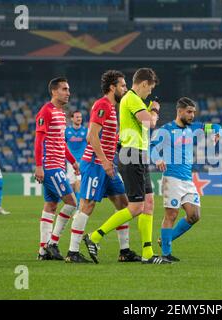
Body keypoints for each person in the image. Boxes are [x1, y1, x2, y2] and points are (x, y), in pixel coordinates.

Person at [83, 68, 171, 264]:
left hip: (138, 154)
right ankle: (95, 236)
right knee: (136, 207)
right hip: (131, 155)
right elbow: (149, 123)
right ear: (144, 83)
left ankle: (148, 254)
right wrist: (154, 109)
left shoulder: (134, 101)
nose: (150, 93)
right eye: (150, 88)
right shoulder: (131, 99)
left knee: (148, 204)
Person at [65, 70, 141, 263]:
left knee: (124, 204)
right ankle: (72, 252)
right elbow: (91, 136)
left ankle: (124, 251)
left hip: (108, 166)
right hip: (95, 164)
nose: (125, 89)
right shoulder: (102, 105)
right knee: (87, 205)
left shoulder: (112, 108)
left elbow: (108, 139)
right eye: (123, 86)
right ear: (112, 87)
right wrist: (106, 161)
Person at [151, 97, 221, 261]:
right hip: (172, 178)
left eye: (193, 112)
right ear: (179, 111)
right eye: (189, 112)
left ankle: (165, 240)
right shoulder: (166, 130)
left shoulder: (195, 128)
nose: (192, 115)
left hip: (187, 180)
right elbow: (152, 147)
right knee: (171, 214)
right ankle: (166, 254)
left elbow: (216, 126)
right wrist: (158, 159)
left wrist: (216, 133)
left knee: (194, 215)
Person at [34, 77, 80, 260]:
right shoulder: (46, 111)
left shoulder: (60, 113)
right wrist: (39, 166)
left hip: (59, 164)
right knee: (72, 203)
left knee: (51, 206)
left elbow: (61, 142)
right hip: (51, 166)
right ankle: (52, 242)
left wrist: (72, 161)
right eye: (64, 89)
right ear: (54, 91)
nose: (68, 92)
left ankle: (42, 252)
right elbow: (39, 140)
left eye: (68, 89)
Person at [65, 110, 88, 205]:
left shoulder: (86, 131)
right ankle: (74, 204)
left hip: (82, 161)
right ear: (72, 118)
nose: (79, 119)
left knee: (79, 182)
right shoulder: (67, 131)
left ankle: (78, 206)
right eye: (77, 117)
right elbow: (63, 145)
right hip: (70, 162)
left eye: (80, 117)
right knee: (71, 184)